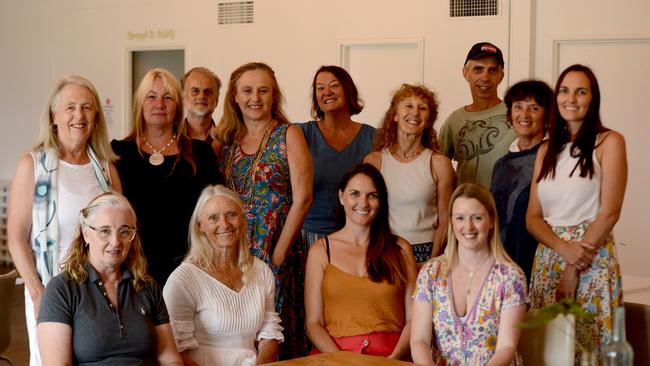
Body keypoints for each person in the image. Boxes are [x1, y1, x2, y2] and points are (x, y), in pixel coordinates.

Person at [7, 75, 121, 366]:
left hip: (99, 290)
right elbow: (17, 237)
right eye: (69, 107)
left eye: (86, 107)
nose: (78, 115)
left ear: (96, 117)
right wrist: (36, 292)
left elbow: (122, 231)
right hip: (50, 289)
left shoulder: (105, 169)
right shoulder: (32, 165)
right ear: (54, 116)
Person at [526, 64, 627, 360]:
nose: (571, 98)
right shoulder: (546, 150)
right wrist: (561, 250)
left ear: (592, 98)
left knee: (590, 347)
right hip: (548, 258)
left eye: (581, 91)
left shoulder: (609, 142)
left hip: (591, 258)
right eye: (565, 90)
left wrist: (573, 265)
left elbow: (610, 212)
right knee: (550, 351)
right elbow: (532, 217)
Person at [213, 62, 312, 358]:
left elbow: (304, 197)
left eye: (263, 90)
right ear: (235, 96)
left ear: (274, 96)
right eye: (247, 90)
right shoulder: (226, 140)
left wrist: (278, 254)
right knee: (240, 330)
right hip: (234, 252)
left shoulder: (288, 134)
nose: (254, 97)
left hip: (275, 249)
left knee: (274, 331)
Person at [37, 192, 182, 365]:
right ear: (86, 234)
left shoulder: (147, 287)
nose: (115, 241)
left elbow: (169, 358)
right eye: (105, 231)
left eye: (124, 232)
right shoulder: (62, 289)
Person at [111, 68, 222, 286]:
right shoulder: (118, 153)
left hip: (192, 270)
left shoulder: (201, 153)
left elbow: (215, 211)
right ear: (140, 104)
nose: (159, 104)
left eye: (168, 97)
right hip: (134, 270)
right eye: (151, 97)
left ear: (178, 106)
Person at [305, 163, 417, 359]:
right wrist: (343, 360)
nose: (363, 203)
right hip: (335, 357)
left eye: (372, 195)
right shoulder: (320, 251)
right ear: (341, 197)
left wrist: (394, 358)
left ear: (381, 201)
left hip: (392, 355)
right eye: (355, 194)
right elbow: (313, 323)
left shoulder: (400, 249)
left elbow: (414, 319)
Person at [163, 185, 284, 365]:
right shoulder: (183, 279)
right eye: (213, 218)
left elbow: (269, 334)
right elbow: (175, 353)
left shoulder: (261, 271)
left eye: (231, 215)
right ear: (200, 226)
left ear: (242, 220)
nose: (225, 224)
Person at [411, 183, 527, 365]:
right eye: (460, 218)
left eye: (477, 218)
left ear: (491, 221)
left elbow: (507, 347)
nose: (468, 227)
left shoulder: (511, 277)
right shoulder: (430, 273)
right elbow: (419, 341)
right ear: (451, 222)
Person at [365, 84, 456, 263]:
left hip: (427, 254)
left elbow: (446, 220)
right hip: (386, 252)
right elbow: (367, 215)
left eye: (422, 108)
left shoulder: (439, 164)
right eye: (408, 105)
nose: (415, 113)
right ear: (395, 115)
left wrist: (432, 261)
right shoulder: (373, 162)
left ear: (429, 119)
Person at [299, 65, 375, 247]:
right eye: (320, 88)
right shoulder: (301, 133)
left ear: (348, 90)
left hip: (358, 235)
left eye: (334, 85)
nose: (327, 92)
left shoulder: (373, 137)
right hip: (308, 235)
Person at [489, 80, 554, 282]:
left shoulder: (556, 158)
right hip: (502, 268)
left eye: (534, 108)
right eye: (518, 107)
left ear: (547, 115)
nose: (524, 115)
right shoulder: (501, 165)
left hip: (542, 264)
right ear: (510, 114)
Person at [439, 42, 516, 187]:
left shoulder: (516, 115)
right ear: (466, 73)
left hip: (506, 208)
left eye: (492, 70)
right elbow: (436, 167)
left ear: (501, 75)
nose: (485, 77)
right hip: (466, 208)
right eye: (478, 69)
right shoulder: (455, 120)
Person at [181, 67, 222, 144]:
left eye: (208, 92)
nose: (202, 96)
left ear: (216, 100)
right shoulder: (171, 139)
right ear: (183, 98)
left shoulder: (227, 141)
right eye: (195, 91)